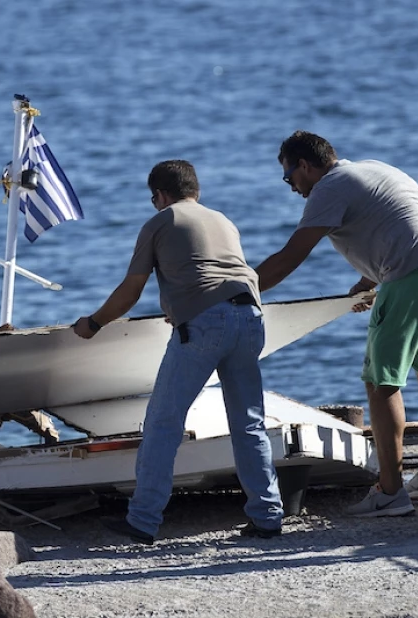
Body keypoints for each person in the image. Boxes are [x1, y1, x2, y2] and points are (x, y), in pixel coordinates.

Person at [255, 131, 418, 517]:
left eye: (289, 178)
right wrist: (371, 279)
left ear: (304, 165)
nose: (292, 188)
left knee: (381, 381)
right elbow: (398, 218)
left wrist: (241, 290)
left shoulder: (328, 187)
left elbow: (291, 256)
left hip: (412, 274)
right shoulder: (372, 169)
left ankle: (390, 491)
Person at [74, 160, 284, 544]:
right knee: (248, 422)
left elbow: (130, 291)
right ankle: (268, 516)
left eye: (153, 198)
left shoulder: (162, 221)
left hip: (206, 323)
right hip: (252, 317)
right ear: (196, 191)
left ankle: (142, 520)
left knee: (162, 422)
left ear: (161, 195)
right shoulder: (223, 220)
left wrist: (93, 322)